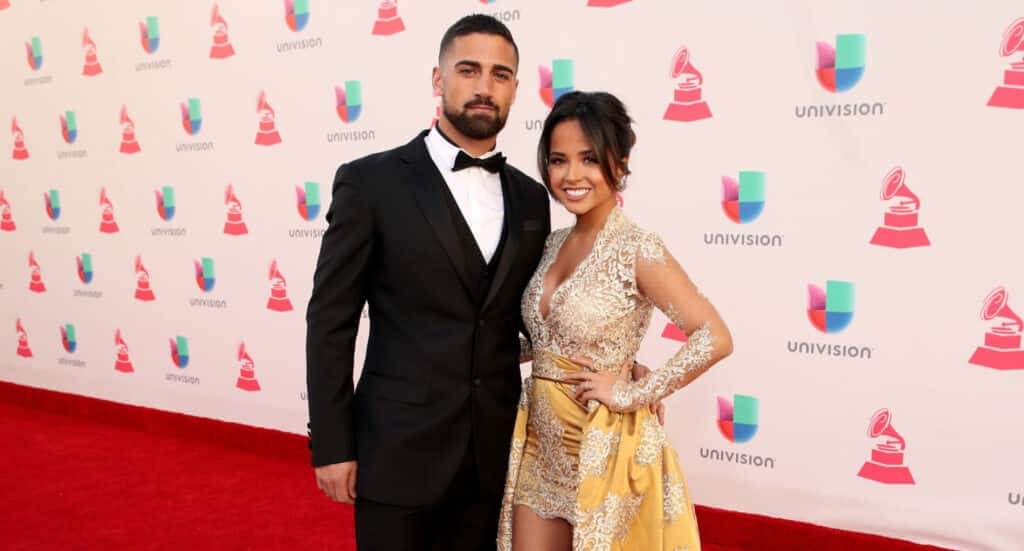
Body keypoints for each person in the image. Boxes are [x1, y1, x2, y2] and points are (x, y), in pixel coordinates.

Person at [305, 14, 552, 550]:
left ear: (515, 87)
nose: (484, 87)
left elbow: (533, 317)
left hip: (494, 456)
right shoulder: (371, 182)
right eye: (469, 70)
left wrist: (618, 365)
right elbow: (331, 319)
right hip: (395, 449)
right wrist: (331, 444)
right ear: (438, 81)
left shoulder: (532, 199)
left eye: (500, 74)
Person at [498, 91, 734, 550]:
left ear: (620, 164)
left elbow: (715, 336)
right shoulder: (550, 243)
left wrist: (633, 390)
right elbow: (548, 341)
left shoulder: (637, 247)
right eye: (558, 159)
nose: (572, 175)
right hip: (539, 449)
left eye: (589, 159)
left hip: (604, 446)